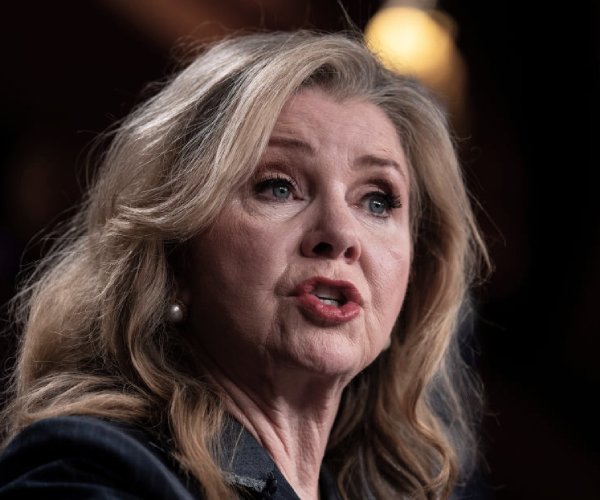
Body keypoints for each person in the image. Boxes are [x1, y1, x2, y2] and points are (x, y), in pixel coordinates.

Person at [0, 31, 487, 499]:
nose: (340, 235)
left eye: (377, 201)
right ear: (175, 254)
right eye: (278, 187)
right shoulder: (91, 470)